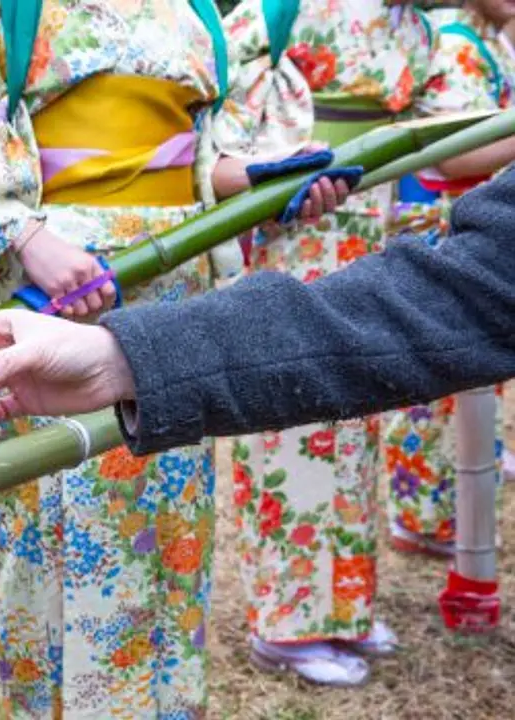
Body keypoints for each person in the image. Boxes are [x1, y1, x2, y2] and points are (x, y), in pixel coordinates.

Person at [0, 0, 346, 714]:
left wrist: (261, 182)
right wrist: (28, 242)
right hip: (66, 286)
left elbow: (192, 159)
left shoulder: (195, 11)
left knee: (172, 507)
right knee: (71, 505)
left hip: (178, 284)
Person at [0, 161, 515, 466]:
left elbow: (205, 148)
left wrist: (246, 174)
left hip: (179, 258)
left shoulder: (196, 13)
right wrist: (26, 236)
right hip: (80, 271)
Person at [206, 0, 443, 687]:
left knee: (359, 416)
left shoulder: (416, 26)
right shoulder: (286, 8)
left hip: (375, 230)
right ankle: (286, 621)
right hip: (296, 230)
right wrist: (266, 167)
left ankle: (345, 604)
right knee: (294, 415)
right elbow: (210, 103)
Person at [383, 0, 515, 558]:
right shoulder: (459, 44)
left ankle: (448, 514)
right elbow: (458, 156)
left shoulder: (483, 42)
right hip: (441, 219)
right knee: (435, 381)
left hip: (463, 219)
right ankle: (422, 516)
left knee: (463, 384)